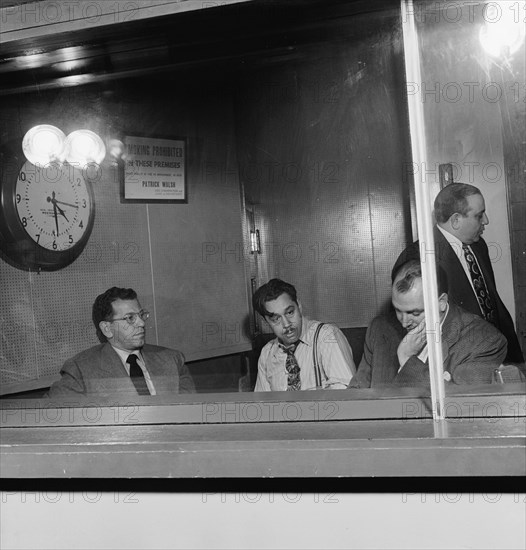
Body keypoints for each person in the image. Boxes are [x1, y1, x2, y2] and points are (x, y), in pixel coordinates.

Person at [391, 182, 524, 366]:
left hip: (498, 351)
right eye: (479, 215)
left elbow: (490, 303)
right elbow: (414, 328)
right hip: (460, 364)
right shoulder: (418, 257)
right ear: (455, 220)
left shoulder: (478, 245)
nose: (486, 220)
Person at [350, 260, 507, 388]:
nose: (404, 322)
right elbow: (358, 394)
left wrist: (407, 358)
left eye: (415, 313)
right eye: (398, 310)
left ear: (441, 303)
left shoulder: (485, 341)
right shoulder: (380, 329)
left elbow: (458, 404)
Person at [47, 287, 195, 398]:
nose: (142, 323)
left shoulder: (173, 360)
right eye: (130, 318)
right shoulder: (81, 370)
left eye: (141, 315)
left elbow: (191, 413)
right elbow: (51, 415)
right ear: (107, 328)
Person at [253, 278, 356, 391]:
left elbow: (346, 391)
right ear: (266, 322)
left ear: (299, 306)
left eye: (290, 312)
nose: (287, 324)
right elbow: (262, 403)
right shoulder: (267, 353)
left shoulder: (326, 336)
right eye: (276, 319)